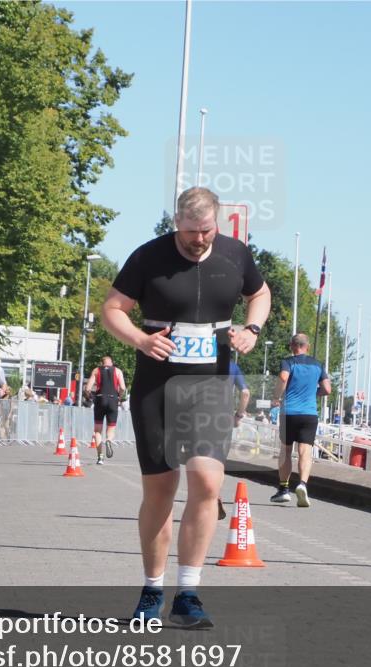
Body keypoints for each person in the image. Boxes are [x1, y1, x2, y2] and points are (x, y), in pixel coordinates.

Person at [102, 186, 271, 629]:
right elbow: (113, 309)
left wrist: (251, 329)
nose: (199, 239)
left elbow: (261, 294)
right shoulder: (148, 257)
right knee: (160, 490)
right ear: (176, 222)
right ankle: (151, 590)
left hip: (211, 385)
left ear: (218, 223)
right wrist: (140, 339)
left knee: (207, 482)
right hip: (157, 386)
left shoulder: (235, 255)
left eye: (207, 230)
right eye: (191, 231)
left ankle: (188, 594)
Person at [270, 333, 331, 508]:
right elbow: (327, 389)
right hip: (309, 414)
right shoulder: (318, 365)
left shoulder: (288, 362)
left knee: (286, 450)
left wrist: (276, 397)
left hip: (289, 413)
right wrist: (313, 393)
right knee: (305, 451)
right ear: (308, 346)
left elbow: (283, 377)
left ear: (292, 346)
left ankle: (283, 489)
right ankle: (302, 484)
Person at [215, 357, 251, 520]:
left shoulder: (201, 362)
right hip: (224, 417)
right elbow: (245, 393)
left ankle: (206, 495)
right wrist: (239, 415)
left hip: (200, 416)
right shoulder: (232, 367)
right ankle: (215, 494)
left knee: (199, 459)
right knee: (219, 461)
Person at [85, 356, 127, 466]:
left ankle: (100, 457)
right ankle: (108, 440)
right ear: (111, 363)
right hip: (113, 399)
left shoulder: (96, 370)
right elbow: (123, 387)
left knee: (98, 430)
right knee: (111, 427)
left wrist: (90, 397)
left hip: (100, 399)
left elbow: (88, 388)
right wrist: (119, 396)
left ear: (102, 363)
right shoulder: (118, 371)